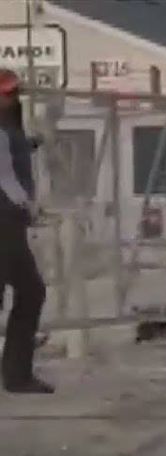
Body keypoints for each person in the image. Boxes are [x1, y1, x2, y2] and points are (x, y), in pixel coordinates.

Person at [0, 68, 52, 394]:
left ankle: (16, 373)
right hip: (4, 220)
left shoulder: (9, 128)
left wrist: (31, 143)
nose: (12, 98)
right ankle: (17, 375)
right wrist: (28, 206)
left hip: (9, 221)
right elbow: (4, 176)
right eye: (7, 93)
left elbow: (12, 154)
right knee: (31, 291)